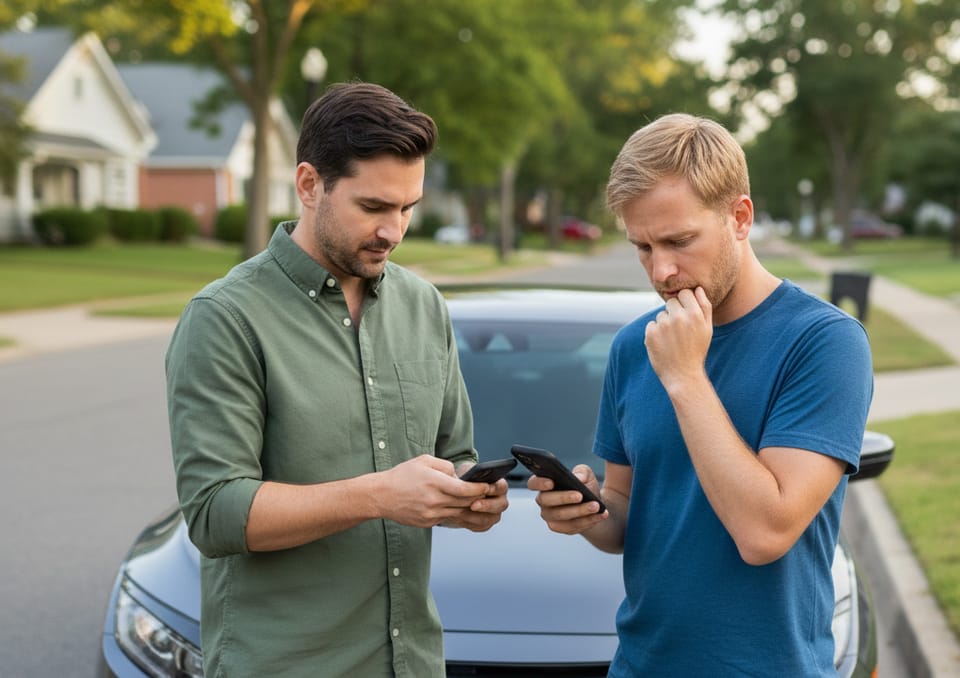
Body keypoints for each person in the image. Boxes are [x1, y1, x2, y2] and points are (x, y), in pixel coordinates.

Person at [165, 81, 509, 678]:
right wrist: (380, 494)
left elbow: (454, 456)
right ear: (308, 185)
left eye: (407, 208)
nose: (393, 232)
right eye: (373, 207)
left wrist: (466, 500)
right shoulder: (224, 318)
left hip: (413, 663)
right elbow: (215, 513)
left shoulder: (425, 306)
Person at [529, 113, 873, 676]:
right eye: (642, 247)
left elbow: (765, 533)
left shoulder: (825, 343)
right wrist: (587, 513)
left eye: (679, 241)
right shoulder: (634, 346)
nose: (661, 270)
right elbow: (624, 512)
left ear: (740, 217)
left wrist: (687, 378)